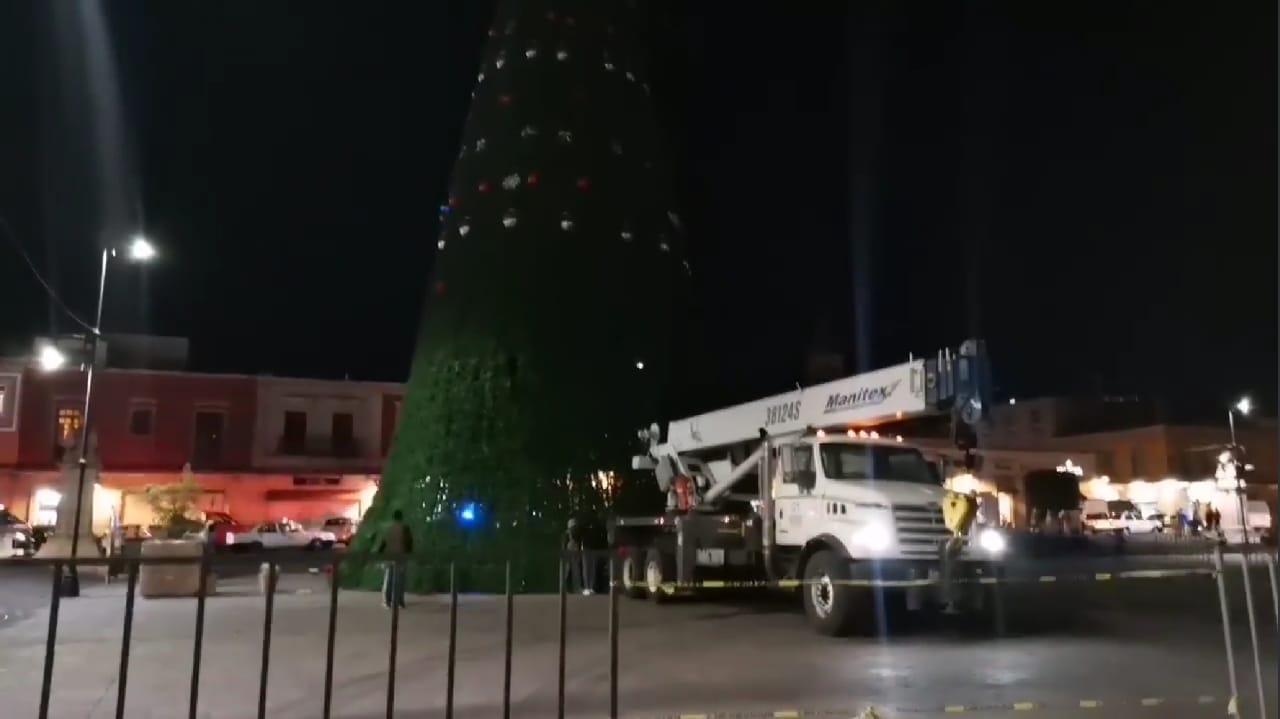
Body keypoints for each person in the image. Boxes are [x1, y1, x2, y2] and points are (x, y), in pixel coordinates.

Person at [377, 509, 412, 609]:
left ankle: (387, 601)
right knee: (400, 580)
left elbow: (383, 544)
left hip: (389, 556)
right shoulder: (405, 528)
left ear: (393, 518)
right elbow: (409, 543)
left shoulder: (388, 529)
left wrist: (380, 555)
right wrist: (408, 553)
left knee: (388, 579)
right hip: (401, 556)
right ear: (401, 518)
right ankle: (399, 602)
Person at [564, 518, 595, 595]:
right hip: (572, 552)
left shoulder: (574, 536)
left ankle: (578, 588)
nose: (574, 529)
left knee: (576, 570)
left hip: (575, 552)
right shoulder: (568, 536)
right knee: (572, 570)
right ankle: (574, 588)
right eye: (573, 528)